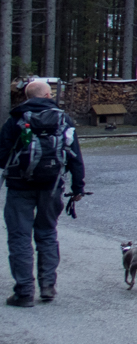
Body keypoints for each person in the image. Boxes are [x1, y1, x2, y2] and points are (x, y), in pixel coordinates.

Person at [0, 80, 85, 307]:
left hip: (19, 187)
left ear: (27, 97)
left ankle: (24, 293)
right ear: (48, 95)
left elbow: (1, 156)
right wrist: (78, 188)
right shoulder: (63, 120)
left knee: (20, 238)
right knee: (47, 234)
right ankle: (48, 287)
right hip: (52, 186)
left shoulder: (15, 119)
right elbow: (75, 156)